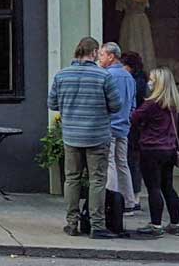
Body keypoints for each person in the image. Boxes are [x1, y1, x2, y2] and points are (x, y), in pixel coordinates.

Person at [48, 36, 121, 239]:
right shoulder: (103, 76)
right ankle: (97, 225)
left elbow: (52, 104)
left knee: (72, 179)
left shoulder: (61, 76)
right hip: (97, 135)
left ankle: (72, 223)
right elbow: (116, 106)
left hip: (71, 135)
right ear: (95, 52)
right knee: (97, 180)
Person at [131, 66, 179, 237]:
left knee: (153, 187)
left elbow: (134, 117)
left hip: (151, 149)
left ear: (159, 83)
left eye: (152, 79)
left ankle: (156, 225)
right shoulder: (173, 103)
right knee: (168, 187)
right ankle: (175, 224)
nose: (149, 82)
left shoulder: (151, 104)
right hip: (169, 149)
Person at [98, 42, 137, 212]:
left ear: (111, 56)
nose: (100, 58)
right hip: (124, 126)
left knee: (110, 164)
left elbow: (103, 102)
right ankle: (129, 202)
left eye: (102, 55)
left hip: (109, 125)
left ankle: (112, 202)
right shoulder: (128, 76)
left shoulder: (107, 76)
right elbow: (133, 104)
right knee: (122, 163)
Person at [121, 51, 148, 210]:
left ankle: (134, 196)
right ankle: (133, 195)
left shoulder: (135, 82)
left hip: (134, 126)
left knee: (131, 160)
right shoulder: (140, 79)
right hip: (136, 125)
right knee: (131, 160)